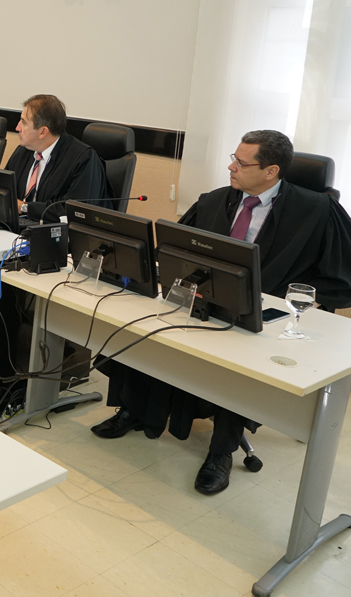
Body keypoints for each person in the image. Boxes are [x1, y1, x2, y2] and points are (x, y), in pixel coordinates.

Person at [91, 130, 351, 494]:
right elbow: (174, 250)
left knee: (240, 363)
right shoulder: (213, 201)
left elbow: (341, 276)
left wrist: (301, 302)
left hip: (265, 317)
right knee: (143, 325)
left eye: (242, 163)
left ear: (271, 171)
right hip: (204, 301)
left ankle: (220, 451)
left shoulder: (317, 211)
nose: (231, 167)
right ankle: (135, 410)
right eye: (233, 158)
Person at [4, 94, 112, 221]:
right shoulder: (24, 151)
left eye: (23, 122)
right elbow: (3, 190)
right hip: (18, 226)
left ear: (43, 132)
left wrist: (25, 208)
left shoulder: (83, 159)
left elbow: (75, 211)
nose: (17, 127)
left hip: (56, 231)